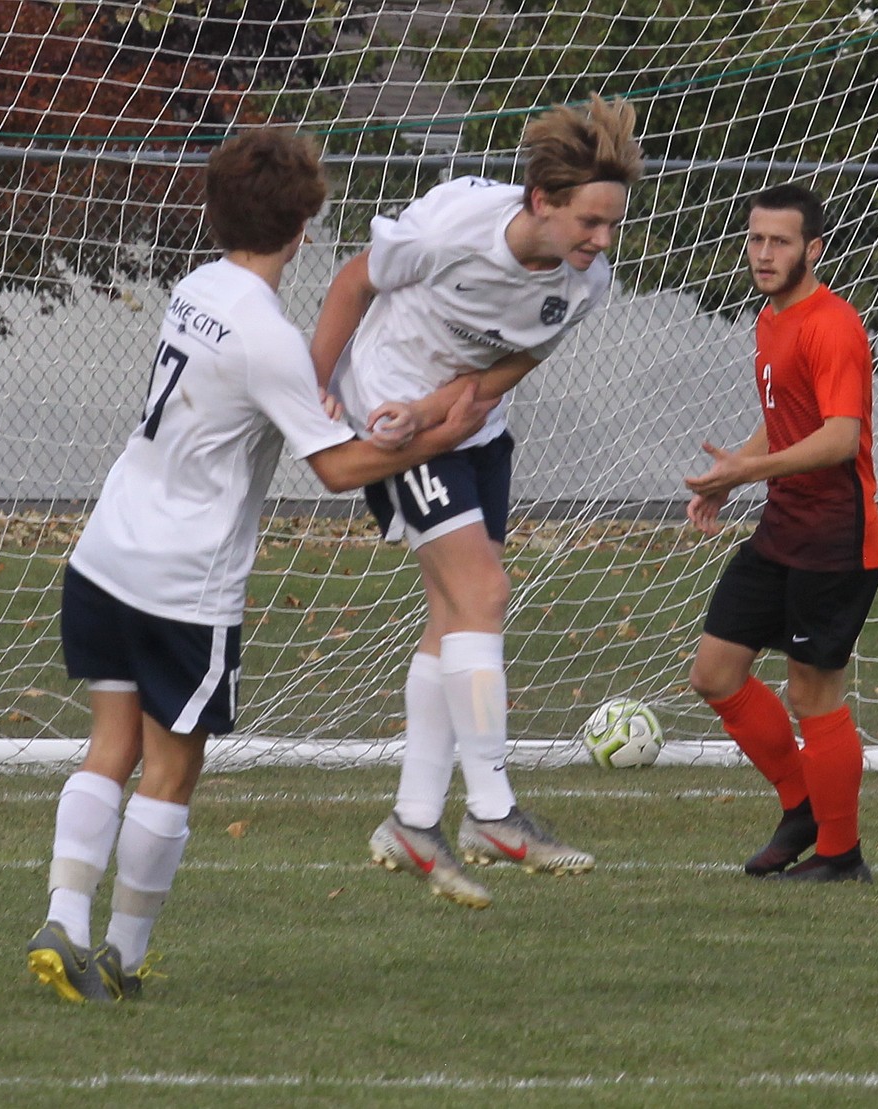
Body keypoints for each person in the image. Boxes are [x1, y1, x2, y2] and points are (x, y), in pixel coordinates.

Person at [26, 126, 493, 1004]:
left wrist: (335, 415)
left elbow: (251, 399)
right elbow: (336, 469)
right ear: (306, 226)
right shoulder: (270, 334)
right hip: (182, 581)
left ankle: (64, 915)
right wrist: (438, 434)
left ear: (215, 212)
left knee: (110, 743)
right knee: (171, 768)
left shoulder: (198, 290)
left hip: (106, 550)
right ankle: (123, 954)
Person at [309, 95, 644, 909]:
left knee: (454, 614)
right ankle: (492, 810)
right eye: (588, 224)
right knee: (484, 591)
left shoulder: (586, 281)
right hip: (391, 414)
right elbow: (355, 281)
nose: (600, 243)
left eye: (611, 226)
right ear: (541, 202)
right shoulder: (455, 223)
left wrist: (450, 408)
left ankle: (414, 819)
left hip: (472, 425)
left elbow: (514, 364)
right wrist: (311, 386)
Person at [683, 182, 878, 883]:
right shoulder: (771, 319)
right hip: (781, 529)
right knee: (714, 672)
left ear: (814, 249)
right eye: (755, 239)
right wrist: (735, 473)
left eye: (780, 242)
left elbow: (838, 437)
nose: (763, 253)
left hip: (834, 538)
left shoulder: (834, 325)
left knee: (811, 694)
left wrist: (755, 468)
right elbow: (789, 416)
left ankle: (840, 854)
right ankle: (802, 804)